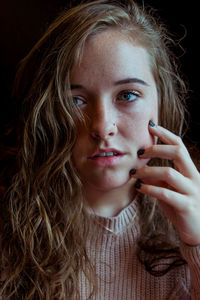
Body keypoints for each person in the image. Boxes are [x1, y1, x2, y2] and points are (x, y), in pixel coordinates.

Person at [1, 0, 200, 299]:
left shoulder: (195, 219)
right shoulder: (9, 230)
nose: (102, 126)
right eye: (76, 100)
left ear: (161, 101)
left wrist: (197, 242)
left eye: (128, 95)